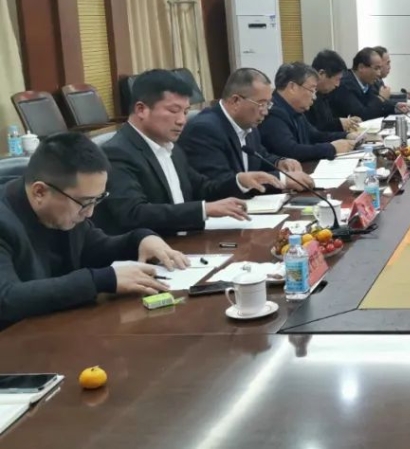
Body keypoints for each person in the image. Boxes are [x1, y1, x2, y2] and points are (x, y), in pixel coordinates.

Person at [0, 133, 189, 328]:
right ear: (40, 192)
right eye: (85, 202)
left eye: (96, 200)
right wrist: (99, 280)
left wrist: (140, 240)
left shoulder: (67, 206)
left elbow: (95, 248)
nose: (89, 213)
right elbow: (6, 299)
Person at [100, 70, 282, 236]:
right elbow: (134, 213)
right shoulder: (116, 153)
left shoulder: (172, 148)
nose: (182, 120)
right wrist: (203, 210)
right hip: (152, 251)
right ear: (141, 110)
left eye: (185, 112)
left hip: (187, 242)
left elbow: (202, 188)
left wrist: (239, 181)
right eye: (174, 111)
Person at [179, 68, 314, 190]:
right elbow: (221, 183)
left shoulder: (248, 124)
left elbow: (261, 156)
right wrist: (282, 179)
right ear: (236, 101)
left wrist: (279, 162)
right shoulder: (204, 130)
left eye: (268, 104)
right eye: (261, 104)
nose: (265, 112)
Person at [260, 62, 356, 162]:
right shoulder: (272, 113)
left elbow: (315, 135)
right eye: (311, 90)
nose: (314, 97)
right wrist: (331, 148)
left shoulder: (296, 110)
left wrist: (346, 136)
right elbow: (290, 151)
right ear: (292, 87)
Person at [330, 47, 406, 120]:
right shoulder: (345, 84)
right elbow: (362, 116)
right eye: (376, 68)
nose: (379, 73)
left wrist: (395, 108)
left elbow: (373, 107)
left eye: (380, 68)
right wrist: (380, 98)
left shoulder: (368, 83)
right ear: (361, 67)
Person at [306, 50, 362, 134]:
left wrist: (346, 122)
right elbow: (314, 132)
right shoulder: (305, 97)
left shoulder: (323, 94)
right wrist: (339, 124)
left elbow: (326, 122)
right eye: (337, 79)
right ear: (321, 74)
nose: (337, 85)